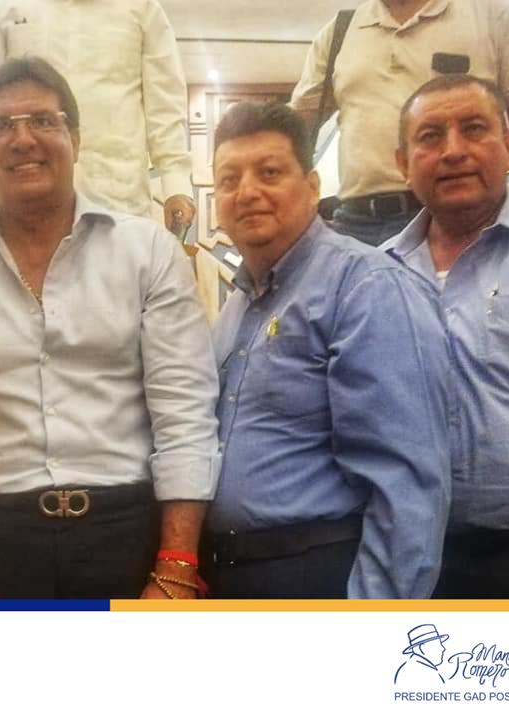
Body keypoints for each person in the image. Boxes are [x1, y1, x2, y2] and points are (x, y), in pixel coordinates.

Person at [0, 57, 219, 600]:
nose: (22, 139)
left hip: (126, 531)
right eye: (0, 126)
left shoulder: (147, 252)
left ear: (75, 139)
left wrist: (176, 567)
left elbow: (184, 413)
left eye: (42, 121)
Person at [202, 101, 450, 599]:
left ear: (313, 187)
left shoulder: (365, 286)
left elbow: (406, 482)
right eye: (229, 180)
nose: (247, 192)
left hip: (320, 575)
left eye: (269, 172)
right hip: (230, 578)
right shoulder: (235, 308)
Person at [385, 74, 509, 598]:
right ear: (403, 162)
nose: (453, 150)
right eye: (430, 136)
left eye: (474, 128)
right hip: (425, 566)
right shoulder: (373, 278)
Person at [291, 0, 509, 246]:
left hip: (462, 216)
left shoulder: (491, 13)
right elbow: (294, 128)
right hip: (357, 224)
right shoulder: (341, 32)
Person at [0, 0, 195, 230]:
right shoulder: (5, 6)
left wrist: (176, 183)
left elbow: (164, 104)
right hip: (27, 202)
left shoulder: (141, 7)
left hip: (118, 200)